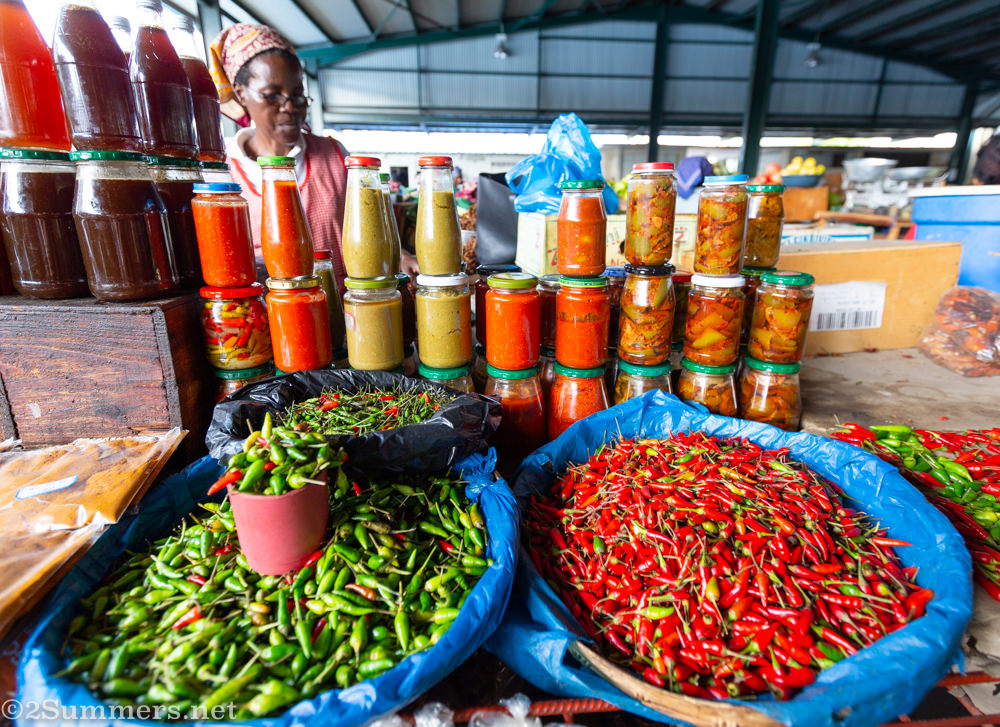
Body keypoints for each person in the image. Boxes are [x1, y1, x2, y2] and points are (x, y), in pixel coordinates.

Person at [208, 24, 418, 286]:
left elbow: (372, 227)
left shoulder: (334, 156)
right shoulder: (221, 173)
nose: (289, 108)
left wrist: (400, 257)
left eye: (297, 96)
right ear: (240, 94)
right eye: (273, 95)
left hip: (345, 317)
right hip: (270, 321)